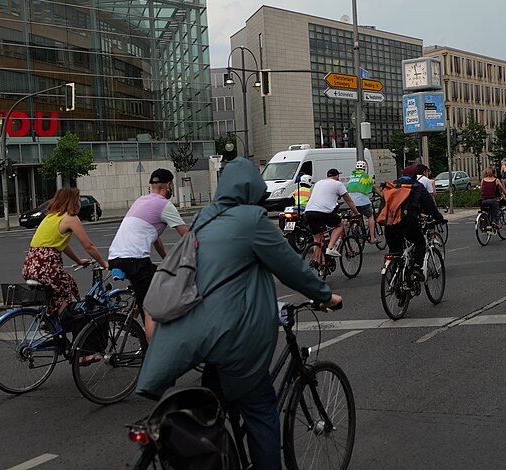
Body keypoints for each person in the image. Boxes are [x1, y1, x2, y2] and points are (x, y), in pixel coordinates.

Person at [137, 157, 342, 470]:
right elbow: (291, 268)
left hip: (197, 331)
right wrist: (325, 296)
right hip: (232, 335)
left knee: (212, 406)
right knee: (261, 411)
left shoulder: (205, 218)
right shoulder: (252, 220)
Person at [108, 168, 188, 340]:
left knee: (155, 277)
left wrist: (166, 259)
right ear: (169, 185)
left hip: (115, 258)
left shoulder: (141, 200)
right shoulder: (165, 205)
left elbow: (155, 238)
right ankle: (153, 354)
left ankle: (135, 310)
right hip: (134, 260)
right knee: (152, 305)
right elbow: (188, 236)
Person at [22, 187, 108, 317]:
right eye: (77, 199)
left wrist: (78, 260)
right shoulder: (70, 218)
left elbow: (61, 245)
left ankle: (51, 322)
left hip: (31, 265)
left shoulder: (50, 217)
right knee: (67, 290)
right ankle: (56, 324)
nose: (79, 203)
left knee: (66, 283)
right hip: (46, 265)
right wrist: (104, 263)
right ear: (72, 201)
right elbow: (88, 246)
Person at [385, 165, 445, 280]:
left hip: (389, 223)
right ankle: (417, 268)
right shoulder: (417, 187)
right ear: (414, 176)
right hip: (407, 223)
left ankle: (395, 279)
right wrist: (439, 218)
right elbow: (430, 206)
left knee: (395, 252)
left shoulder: (392, 185)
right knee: (420, 242)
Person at [304, 168, 359, 257]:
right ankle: (330, 248)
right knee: (339, 225)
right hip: (324, 211)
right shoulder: (338, 184)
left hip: (309, 211)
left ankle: (319, 265)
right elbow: (349, 201)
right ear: (337, 176)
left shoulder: (319, 183)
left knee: (317, 239)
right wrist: (356, 213)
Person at [346, 160, 380, 243]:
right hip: (362, 200)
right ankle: (372, 238)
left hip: (351, 200)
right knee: (370, 216)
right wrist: (381, 194)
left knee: (356, 214)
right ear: (364, 168)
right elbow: (373, 188)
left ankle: (355, 227)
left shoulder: (352, 176)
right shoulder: (365, 176)